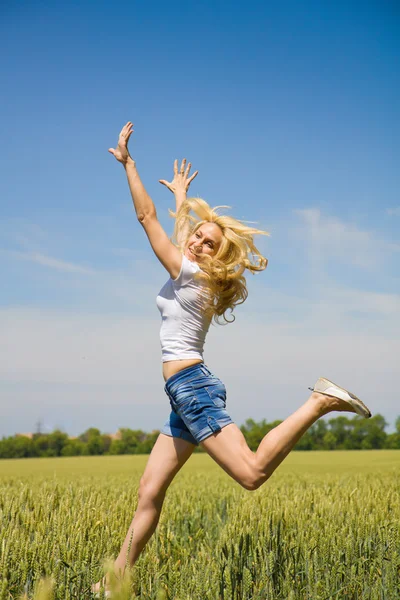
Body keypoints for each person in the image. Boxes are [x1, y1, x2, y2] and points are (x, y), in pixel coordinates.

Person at [92, 122, 372, 595]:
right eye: (198, 236)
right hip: (183, 395)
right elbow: (185, 234)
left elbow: (146, 218)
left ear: (216, 257)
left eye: (209, 242)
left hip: (193, 389)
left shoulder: (192, 275)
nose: (199, 242)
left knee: (251, 473)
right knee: (149, 492)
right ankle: (113, 583)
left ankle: (320, 402)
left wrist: (129, 164)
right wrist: (183, 198)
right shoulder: (196, 272)